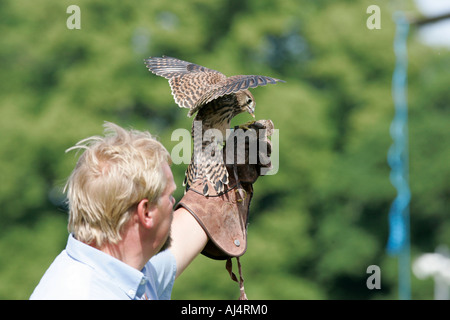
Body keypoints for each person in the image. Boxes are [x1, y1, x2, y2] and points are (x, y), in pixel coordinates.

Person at [30, 122, 209, 299]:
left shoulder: (123, 269)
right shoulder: (86, 294)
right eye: (169, 195)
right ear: (146, 212)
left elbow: (195, 222)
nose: (173, 201)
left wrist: (225, 167)